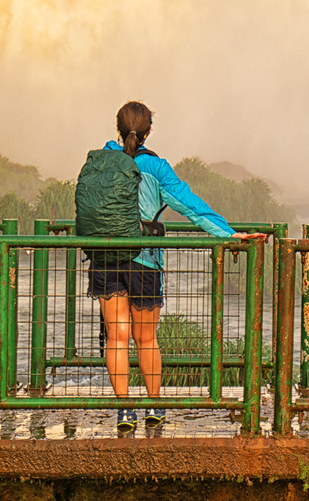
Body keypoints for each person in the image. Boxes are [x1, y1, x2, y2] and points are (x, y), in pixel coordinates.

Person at [87, 101, 268, 433]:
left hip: (104, 257)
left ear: (116, 128)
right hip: (144, 260)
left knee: (116, 337)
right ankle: (154, 406)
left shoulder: (99, 161)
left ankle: (123, 411)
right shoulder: (156, 168)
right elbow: (191, 206)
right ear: (148, 131)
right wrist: (228, 234)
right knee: (145, 339)